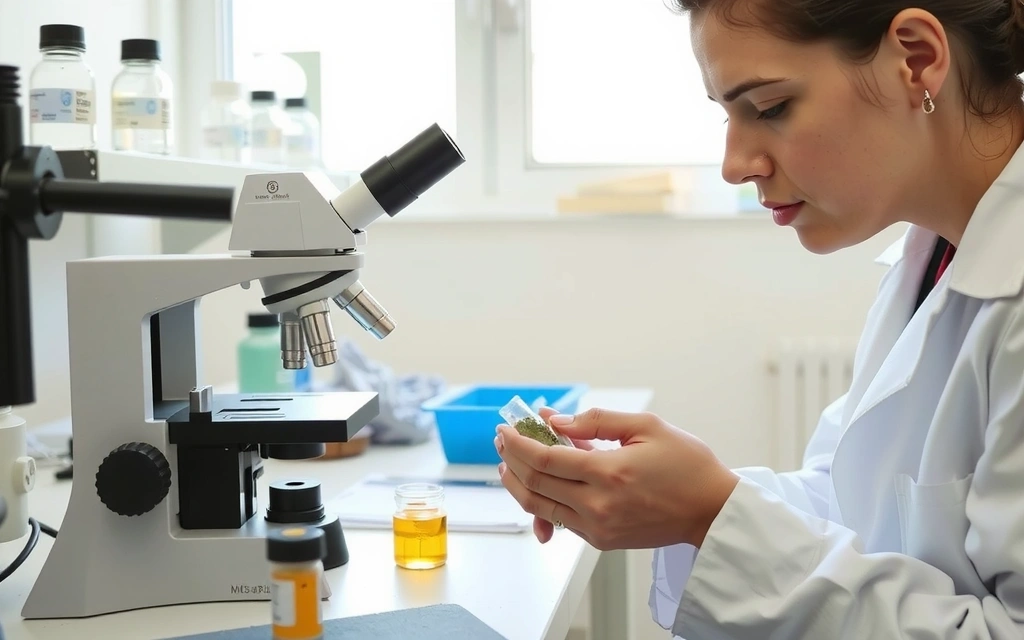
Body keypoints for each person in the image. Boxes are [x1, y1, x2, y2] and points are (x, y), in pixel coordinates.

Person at [493, 0, 1024, 637]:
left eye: (769, 108)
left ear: (916, 58)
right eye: (727, 115)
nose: (735, 163)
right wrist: (676, 498)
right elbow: (856, 507)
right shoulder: (935, 255)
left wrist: (708, 514)